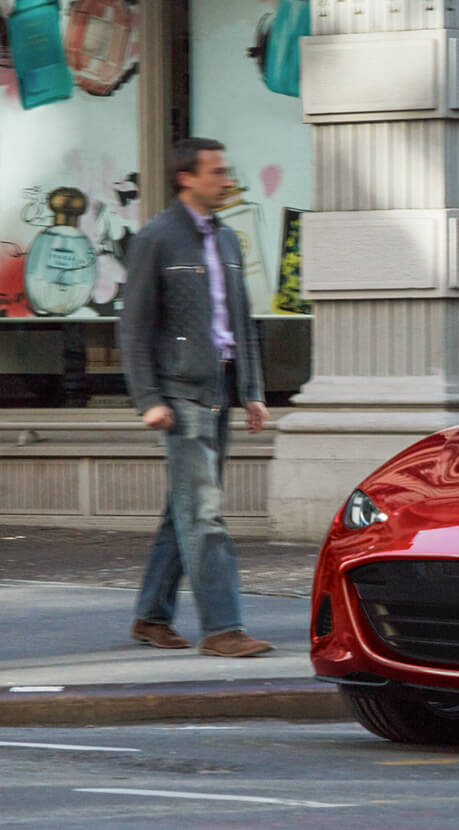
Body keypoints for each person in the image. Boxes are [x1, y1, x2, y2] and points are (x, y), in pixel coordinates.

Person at [116, 137, 274, 657]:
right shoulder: (157, 239)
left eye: (227, 172)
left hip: (222, 391)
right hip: (179, 396)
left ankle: (151, 617)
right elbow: (134, 328)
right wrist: (148, 399)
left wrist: (251, 391)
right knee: (203, 513)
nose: (226, 180)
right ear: (187, 178)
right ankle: (223, 629)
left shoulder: (228, 240)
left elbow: (241, 323)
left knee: (183, 510)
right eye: (217, 172)